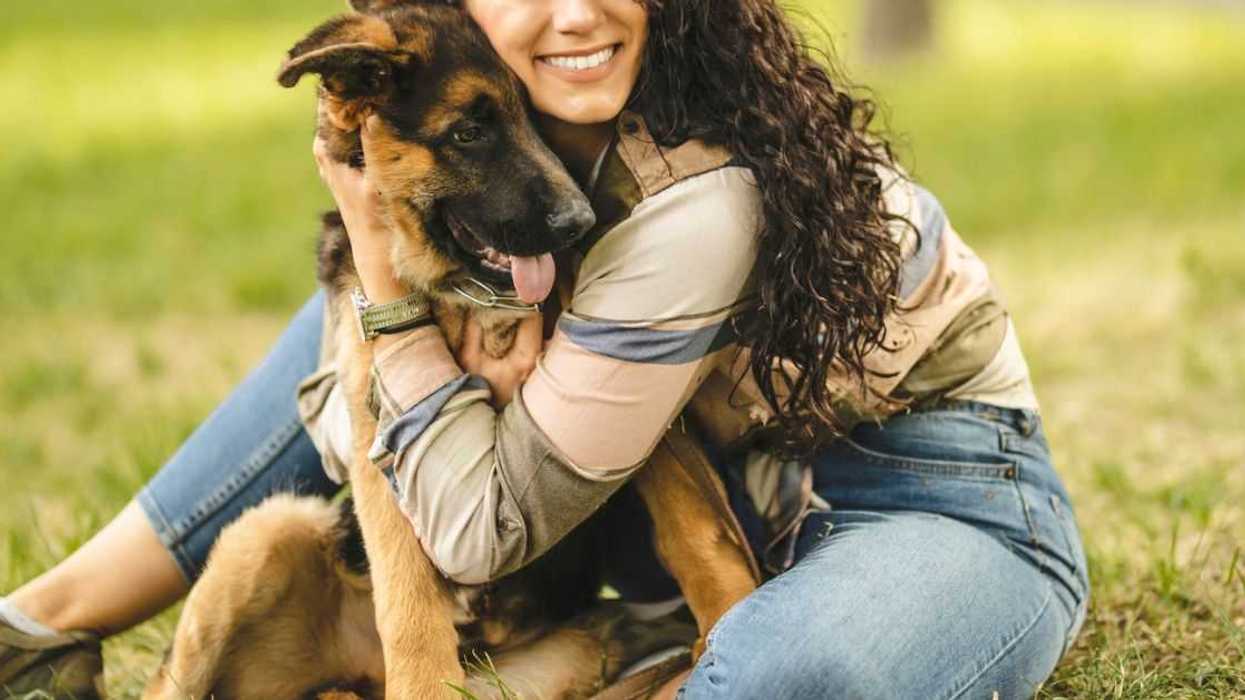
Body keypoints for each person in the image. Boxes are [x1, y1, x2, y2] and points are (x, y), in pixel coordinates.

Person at [1, 0, 1090, 698]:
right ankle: (45, 621)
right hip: (728, 488)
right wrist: (385, 254)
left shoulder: (693, 193)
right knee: (381, 303)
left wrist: (388, 288)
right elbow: (373, 398)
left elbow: (480, 523)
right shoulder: (519, 115)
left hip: (935, 500)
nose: (574, 11)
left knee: (775, 678)